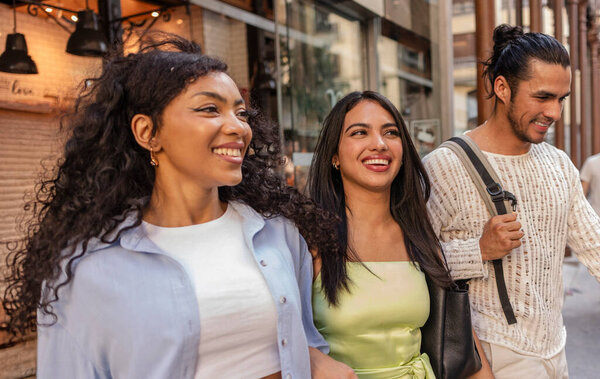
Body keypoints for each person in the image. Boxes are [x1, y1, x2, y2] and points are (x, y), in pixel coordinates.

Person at [0, 34, 335, 378]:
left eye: (241, 112)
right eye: (209, 109)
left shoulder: (278, 234)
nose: (238, 127)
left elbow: (304, 342)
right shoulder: (86, 270)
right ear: (148, 132)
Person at [423, 24, 600, 378]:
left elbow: (594, 245)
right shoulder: (445, 166)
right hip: (490, 354)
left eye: (561, 99)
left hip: (556, 349)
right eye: (543, 97)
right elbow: (410, 262)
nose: (554, 112)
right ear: (502, 88)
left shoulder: (558, 163)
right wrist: (479, 250)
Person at [306, 91, 493, 378]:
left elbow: (458, 337)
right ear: (334, 155)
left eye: (390, 133)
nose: (378, 144)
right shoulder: (309, 240)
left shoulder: (418, 235)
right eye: (360, 133)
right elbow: (273, 338)